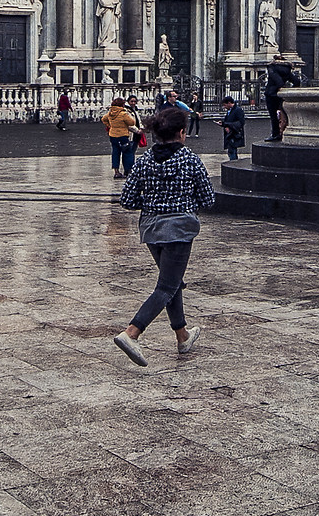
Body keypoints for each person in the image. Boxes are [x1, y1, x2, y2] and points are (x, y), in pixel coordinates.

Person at [111, 103, 216, 366]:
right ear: (181, 132)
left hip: (151, 228)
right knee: (167, 285)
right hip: (179, 229)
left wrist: (153, 204)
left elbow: (127, 199)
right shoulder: (190, 159)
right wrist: (184, 203)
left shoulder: (144, 161)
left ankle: (182, 336)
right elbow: (208, 198)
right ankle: (132, 333)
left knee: (173, 282)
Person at [264, 56, 304, 143]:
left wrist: (279, 86)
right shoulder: (287, 69)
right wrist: (289, 90)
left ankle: (275, 134)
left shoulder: (272, 67)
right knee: (284, 115)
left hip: (271, 94)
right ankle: (284, 131)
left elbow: (276, 79)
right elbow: (296, 81)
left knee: (273, 116)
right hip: (282, 95)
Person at [103, 95, 138, 177]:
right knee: (127, 152)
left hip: (113, 134)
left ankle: (116, 171)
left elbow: (104, 119)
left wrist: (110, 125)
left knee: (115, 152)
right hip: (123, 135)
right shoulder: (123, 113)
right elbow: (131, 122)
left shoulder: (110, 113)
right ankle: (128, 170)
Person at [217, 92, 248, 163]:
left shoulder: (238, 110)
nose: (224, 107)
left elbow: (241, 122)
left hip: (234, 134)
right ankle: (234, 163)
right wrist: (223, 124)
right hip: (231, 133)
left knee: (232, 151)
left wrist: (227, 125)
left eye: (225, 105)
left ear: (229, 103)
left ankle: (234, 164)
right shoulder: (230, 111)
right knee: (231, 150)